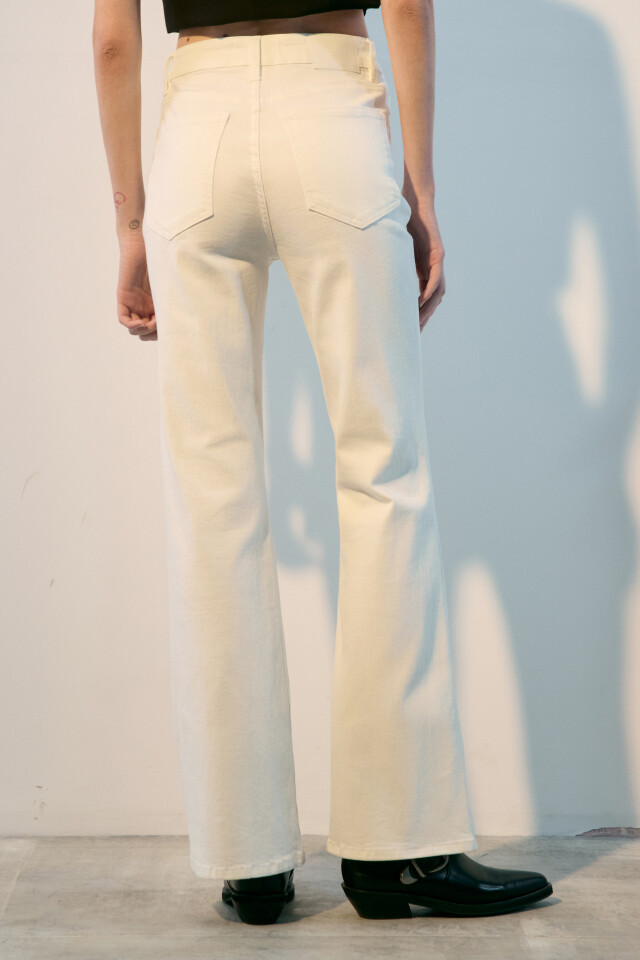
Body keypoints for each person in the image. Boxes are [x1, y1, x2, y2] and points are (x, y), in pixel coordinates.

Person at [93, 0, 553, 926]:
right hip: (331, 116)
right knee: (383, 477)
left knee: (214, 496)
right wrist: (421, 192)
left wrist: (131, 225)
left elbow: (112, 37)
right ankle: (398, 849)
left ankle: (250, 859)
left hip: (198, 131)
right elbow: (407, 5)